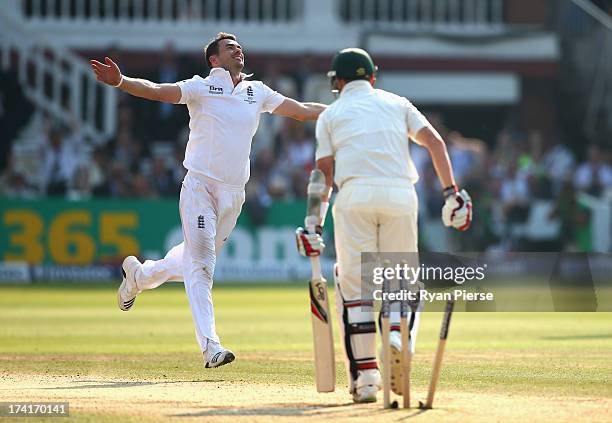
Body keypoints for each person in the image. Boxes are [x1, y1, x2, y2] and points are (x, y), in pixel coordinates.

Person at [90, 32, 326, 369]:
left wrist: (341, 111)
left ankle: (139, 276)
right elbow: (159, 91)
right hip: (199, 187)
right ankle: (210, 346)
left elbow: (302, 112)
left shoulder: (256, 91)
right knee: (202, 266)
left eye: (238, 45)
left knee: (191, 261)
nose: (237, 49)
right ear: (214, 60)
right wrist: (122, 81)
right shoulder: (201, 87)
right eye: (229, 47)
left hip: (234, 194)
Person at [294, 48, 472, 403]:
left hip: (354, 197)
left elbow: (323, 175)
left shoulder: (330, 115)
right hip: (400, 196)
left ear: (337, 82)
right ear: (373, 78)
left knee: (356, 289)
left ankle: (367, 380)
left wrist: (313, 223)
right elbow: (435, 142)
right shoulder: (397, 103)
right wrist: (452, 193)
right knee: (401, 284)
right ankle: (394, 331)